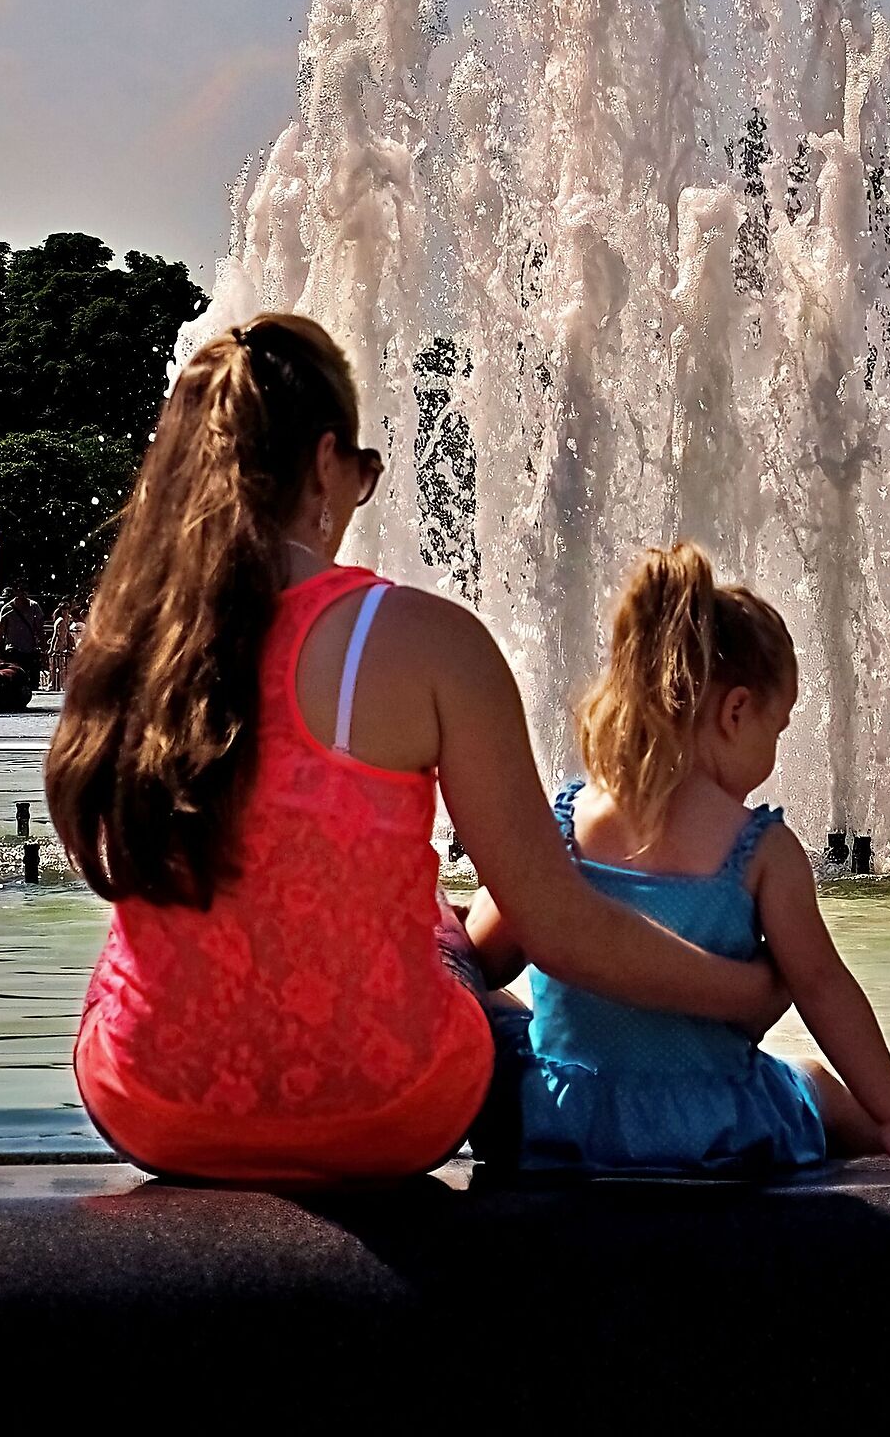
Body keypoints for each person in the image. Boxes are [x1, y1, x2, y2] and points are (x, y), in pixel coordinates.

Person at [46, 316, 783, 1186]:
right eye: (363, 472)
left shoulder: (128, 643)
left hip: (153, 1101)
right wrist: (753, 990)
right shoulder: (424, 642)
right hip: (388, 1107)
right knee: (452, 953)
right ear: (326, 462)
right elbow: (561, 926)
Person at [468, 542, 890, 1182]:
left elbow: (480, 956)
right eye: (777, 729)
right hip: (703, 1129)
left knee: (499, 1008)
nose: (773, 752)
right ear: (737, 711)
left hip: (559, 1122)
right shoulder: (760, 851)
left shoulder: (561, 825)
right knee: (806, 1081)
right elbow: (824, 988)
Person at [0, 589, 45, 684]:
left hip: (30, 650)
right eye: (20, 590)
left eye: (25, 589)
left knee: (32, 683)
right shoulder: (7, 608)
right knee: (15, 680)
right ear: (16, 592)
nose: (23, 593)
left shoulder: (34, 607)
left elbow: (40, 629)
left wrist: (43, 649)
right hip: (13, 650)